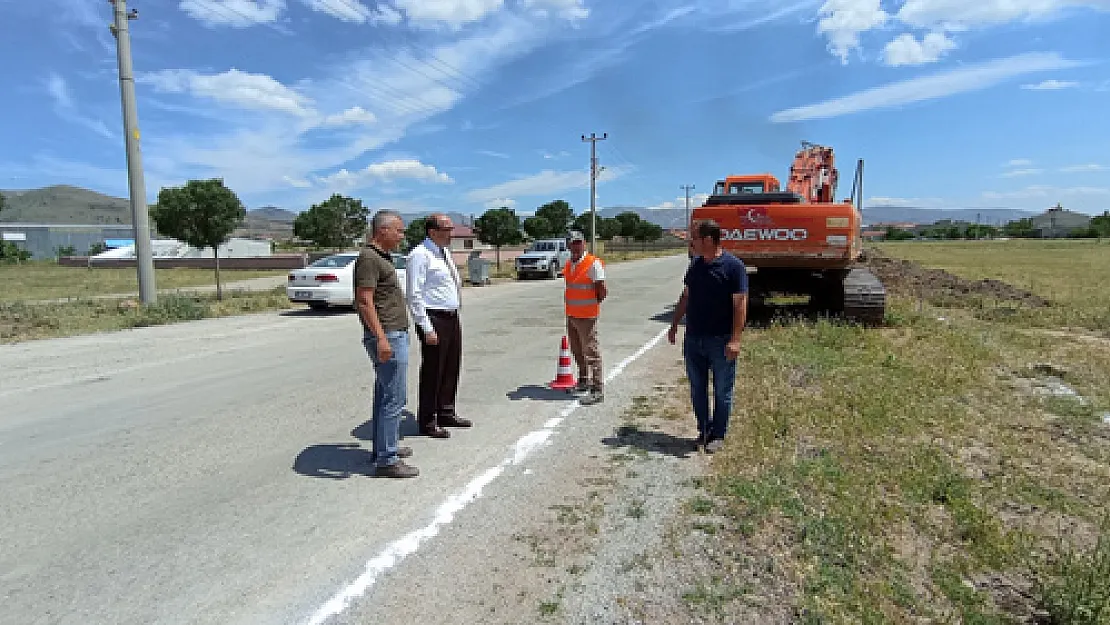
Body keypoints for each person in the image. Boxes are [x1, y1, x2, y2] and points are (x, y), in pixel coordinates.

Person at [667, 219, 748, 454]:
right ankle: (703, 429)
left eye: (695, 238)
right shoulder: (695, 265)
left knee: (722, 390)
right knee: (697, 388)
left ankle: (718, 434)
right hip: (694, 338)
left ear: (709, 240)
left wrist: (735, 339)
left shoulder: (733, 267)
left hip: (720, 340)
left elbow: (740, 304)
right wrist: (674, 325)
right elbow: (686, 296)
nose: (691, 242)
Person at [354, 209, 418, 478]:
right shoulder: (369, 258)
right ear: (383, 231)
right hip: (387, 334)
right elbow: (364, 300)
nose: (402, 236)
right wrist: (381, 338)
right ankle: (387, 460)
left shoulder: (381, 257)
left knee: (384, 395)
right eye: (399, 231)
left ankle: (383, 448)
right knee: (394, 398)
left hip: (393, 333)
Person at [406, 213, 470, 439]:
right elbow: (413, 295)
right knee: (434, 370)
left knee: (451, 366)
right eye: (447, 229)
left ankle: (446, 411)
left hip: (451, 316)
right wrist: (426, 327)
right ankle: (427, 420)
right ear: (432, 232)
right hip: (433, 318)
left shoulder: (443, 253)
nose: (451, 233)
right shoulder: (420, 255)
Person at [563, 231, 607, 405]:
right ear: (568, 245)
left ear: (584, 244)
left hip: (587, 316)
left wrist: (593, 304)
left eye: (578, 243)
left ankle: (597, 388)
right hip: (572, 314)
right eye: (572, 243)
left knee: (591, 352)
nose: (575, 246)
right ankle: (583, 381)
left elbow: (602, 289)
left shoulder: (592, 263)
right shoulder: (569, 264)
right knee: (577, 351)